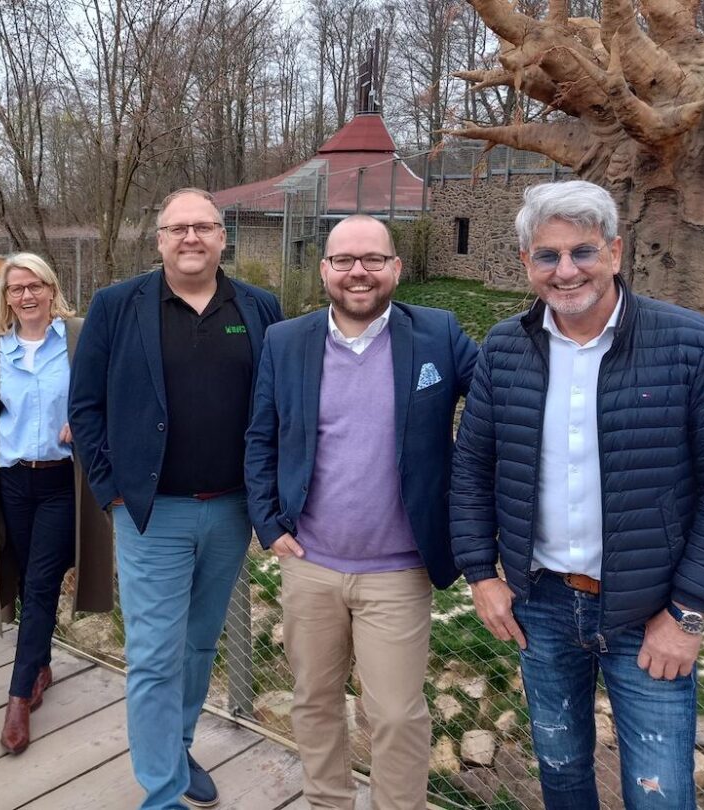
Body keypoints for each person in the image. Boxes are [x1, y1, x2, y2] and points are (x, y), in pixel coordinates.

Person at [449, 181, 704, 809]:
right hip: (538, 603)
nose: (566, 271)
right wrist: (480, 574)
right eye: (547, 255)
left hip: (649, 614)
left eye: (583, 251)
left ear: (616, 254)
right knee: (562, 770)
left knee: (660, 790)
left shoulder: (693, 346)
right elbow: (472, 465)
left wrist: (689, 614)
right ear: (526, 265)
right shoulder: (506, 349)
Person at [244, 215, 476, 809]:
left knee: (396, 714)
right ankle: (328, 801)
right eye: (344, 260)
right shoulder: (286, 341)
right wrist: (269, 524)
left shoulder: (438, 335)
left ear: (396, 268)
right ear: (323, 270)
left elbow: (502, 395)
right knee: (314, 699)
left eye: (373, 259)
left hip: (399, 569)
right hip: (310, 562)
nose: (358, 272)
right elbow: (260, 437)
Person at [70, 187, 283, 809]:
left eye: (204, 227)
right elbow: (84, 408)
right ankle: (160, 793)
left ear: (223, 236)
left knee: (198, 643)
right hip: (151, 512)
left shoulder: (261, 308)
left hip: (231, 509)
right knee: (155, 654)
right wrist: (111, 492)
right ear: (159, 238)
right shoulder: (117, 306)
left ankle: (178, 745)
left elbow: (278, 407)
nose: (191, 238)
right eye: (177, 228)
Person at [0, 252, 113, 754]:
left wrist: (90, 425)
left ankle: (16, 698)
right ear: (5, 298)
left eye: (35, 286)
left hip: (60, 483)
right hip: (11, 483)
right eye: (16, 289)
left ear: (51, 289)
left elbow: (112, 394)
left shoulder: (78, 336)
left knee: (40, 583)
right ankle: (41, 665)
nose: (26, 296)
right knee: (30, 579)